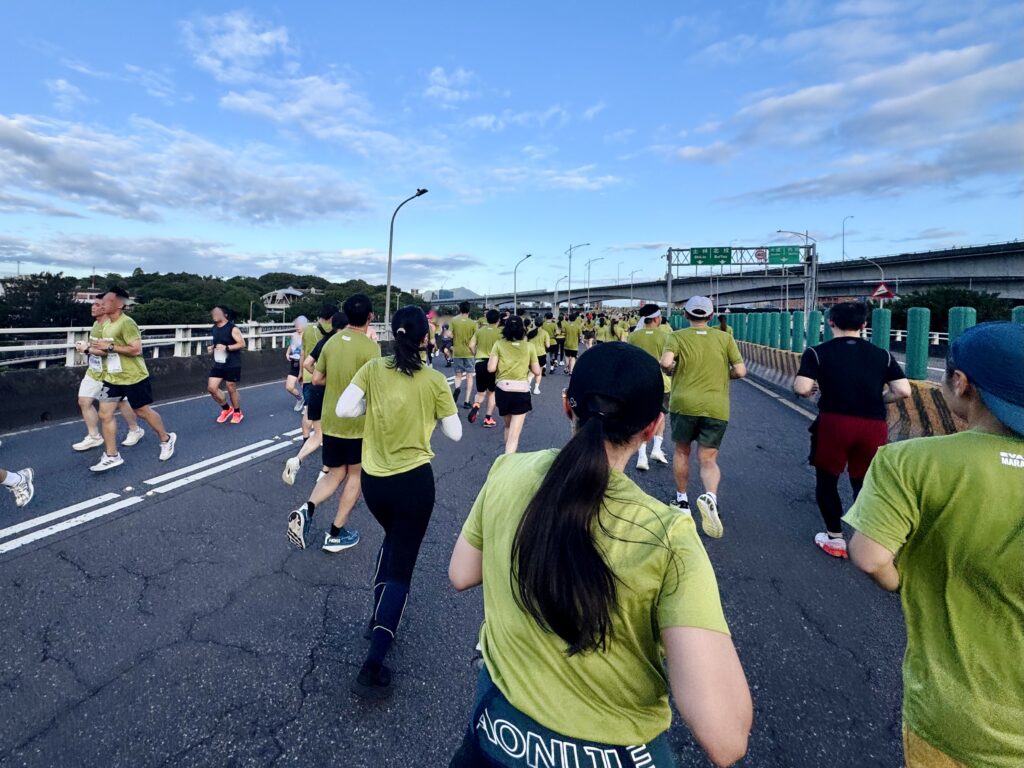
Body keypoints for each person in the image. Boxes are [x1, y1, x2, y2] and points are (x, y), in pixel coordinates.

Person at [448, 342, 752, 768]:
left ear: (566, 407)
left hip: (497, 740)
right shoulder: (668, 535)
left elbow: (461, 573)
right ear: (652, 427)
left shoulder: (507, 473)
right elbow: (726, 738)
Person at [845, 322, 1024, 768]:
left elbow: (870, 557)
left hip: (961, 723)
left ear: (961, 383)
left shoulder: (911, 461)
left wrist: (903, 581)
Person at [335, 306, 462, 698]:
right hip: (415, 483)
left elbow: (344, 409)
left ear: (392, 333)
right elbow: (455, 434)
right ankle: (374, 662)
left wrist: (372, 410)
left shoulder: (373, 370)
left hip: (375, 481)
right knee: (402, 569)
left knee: (391, 540)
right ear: (426, 338)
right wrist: (442, 407)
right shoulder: (435, 379)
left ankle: (376, 615)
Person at [793, 302, 911, 559]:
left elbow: (802, 388)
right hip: (873, 426)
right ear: (864, 325)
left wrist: (813, 389)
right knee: (865, 482)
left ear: (831, 322)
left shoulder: (816, 352)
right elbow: (903, 390)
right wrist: (880, 398)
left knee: (827, 480)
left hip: (834, 424)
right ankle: (866, 539)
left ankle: (835, 539)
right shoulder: (883, 354)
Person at [288, 295, 380, 554]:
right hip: (357, 424)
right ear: (370, 316)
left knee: (334, 473)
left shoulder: (331, 341)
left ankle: (307, 509)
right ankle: (336, 533)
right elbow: (373, 387)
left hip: (331, 421)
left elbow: (316, 378)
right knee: (355, 475)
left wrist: (339, 380)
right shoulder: (371, 348)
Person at [660, 296, 746, 538]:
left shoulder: (676, 337)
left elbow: (666, 362)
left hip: (684, 404)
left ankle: (682, 502)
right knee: (708, 459)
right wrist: (723, 375)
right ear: (710, 317)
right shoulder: (725, 337)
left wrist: (669, 369)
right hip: (716, 407)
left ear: (686, 315)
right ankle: (711, 496)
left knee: (681, 451)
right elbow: (740, 370)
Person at [89, 287, 176, 472]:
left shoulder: (127, 323)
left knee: (142, 411)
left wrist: (110, 346)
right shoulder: (106, 325)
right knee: (104, 414)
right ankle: (112, 455)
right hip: (112, 378)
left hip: (133, 377)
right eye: (102, 301)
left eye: (108, 301)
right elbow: (105, 350)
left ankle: (166, 438)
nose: (103, 304)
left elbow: (136, 349)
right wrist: (89, 349)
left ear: (120, 304)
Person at [73, 297, 144, 452]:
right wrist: (86, 347)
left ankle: (135, 429)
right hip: (94, 371)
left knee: (121, 403)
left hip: (111, 373)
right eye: (93, 304)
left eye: (98, 305)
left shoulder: (110, 326)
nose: (93, 307)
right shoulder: (95, 324)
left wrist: (86, 349)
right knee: (84, 401)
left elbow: (106, 351)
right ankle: (94, 437)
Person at [283, 309, 340, 486]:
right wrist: (329, 380)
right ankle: (324, 472)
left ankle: (297, 460)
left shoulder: (323, 342)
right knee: (333, 435)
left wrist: (317, 376)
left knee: (318, 434)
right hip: (331, 394)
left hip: (315, 391)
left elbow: (307, 362)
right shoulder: (339, 344)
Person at [488, 315, 542, 455]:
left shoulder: (498, 344)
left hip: (503, 390)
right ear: (522, 329)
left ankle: (507, 458)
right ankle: (507, 464)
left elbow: (491, 368)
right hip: (521, 391)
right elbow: (536, 371)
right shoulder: (529, 347)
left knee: (507, 427)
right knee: (514, 436)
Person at [628, 304, 671, 471]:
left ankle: (641, 457)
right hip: (661, 383)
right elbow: (668, 362)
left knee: (642, 419)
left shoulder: (634, 336)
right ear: (656, 318)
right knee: (660, 416)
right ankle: (657, 449)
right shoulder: (665, 336)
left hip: (639, 383)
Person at [207, 305, 246, 424]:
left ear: (225, 315)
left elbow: (242, 344)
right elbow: (217, 343)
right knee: (212, 388)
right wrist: (211, 348)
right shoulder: (214, 328)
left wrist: (227, 347)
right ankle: (226, 409)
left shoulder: (232, 328)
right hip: (219, 362)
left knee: (231, 387)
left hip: (232, 362)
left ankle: (237, 412)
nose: (214, 315)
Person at [468, 309, 502, 428]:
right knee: (491, 393)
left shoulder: (479, 331)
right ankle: (488, 419)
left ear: (486, 319)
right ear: (498, 320)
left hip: (480, 362)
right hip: (493, 364)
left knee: (480, 392)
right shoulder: (500, 333)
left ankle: (476, 406)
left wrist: (475, 354)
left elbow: (471, 345)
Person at [451, 302, 478, 409]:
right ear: (469, 310)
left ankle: (457, 388)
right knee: (469, 376)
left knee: (458, 375)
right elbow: (476, 339)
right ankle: (467, 401)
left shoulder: (454, 321)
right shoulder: (473, 323)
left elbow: (450, 334)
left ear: (460, 309)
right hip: (469, 353)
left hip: (457, 352)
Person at [285, 315, 307, 414]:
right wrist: (287, 353)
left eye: (299, 325)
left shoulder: (307, 336)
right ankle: (300, 399)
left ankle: (307, 406)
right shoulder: (293, 335)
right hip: (294, 362)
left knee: (304, 386)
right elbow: (291, 345)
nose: (297, 327)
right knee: (289, 387)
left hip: (304, 363)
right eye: (296, 325)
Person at [526, 318, 549, 396]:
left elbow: (525, 342)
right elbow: (548, 345)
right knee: (539, 372)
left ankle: (527, 387)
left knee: (531, 371)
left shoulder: (529, 332)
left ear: (534, 323)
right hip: (541, 354)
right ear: (542, 324)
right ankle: (536, 388)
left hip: (530, 354)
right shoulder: (545, 333)